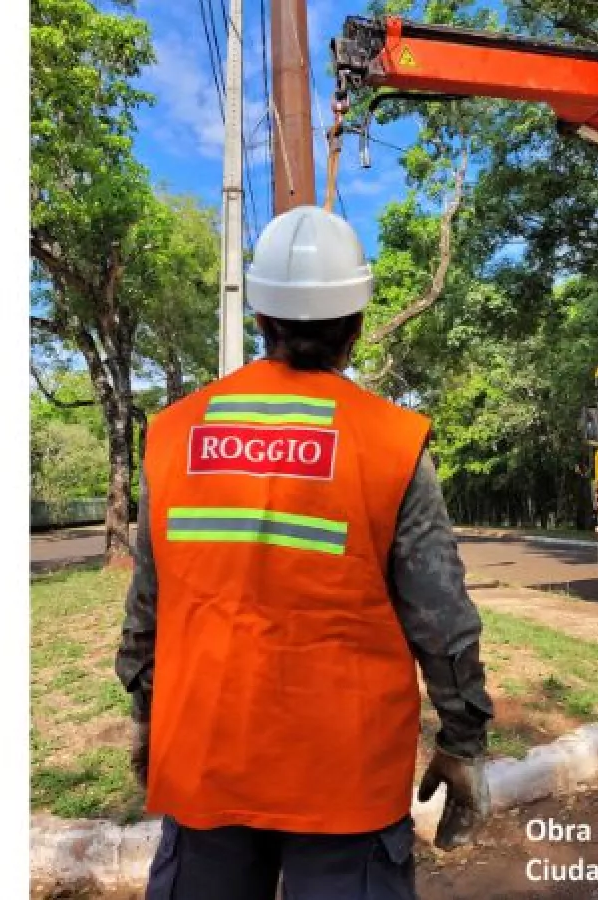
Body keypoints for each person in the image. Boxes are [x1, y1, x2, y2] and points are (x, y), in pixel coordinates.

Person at [114, 205, 494, 900]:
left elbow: (148, 602)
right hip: (344, 779)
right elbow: (442, 619)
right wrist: (463, 739)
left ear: (260, 317)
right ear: (357, 323)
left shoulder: (173, 435)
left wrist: (144, 714)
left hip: (204, 761)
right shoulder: (391, 443)